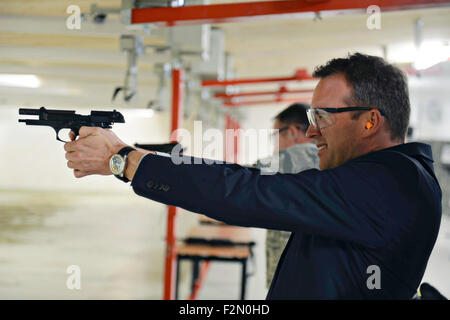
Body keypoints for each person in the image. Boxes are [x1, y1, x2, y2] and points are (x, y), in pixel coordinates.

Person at [64, 53, 442, 299]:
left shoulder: (393, 184)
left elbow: (249, 192)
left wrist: (124, 160)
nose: (310, 133)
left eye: (321, 119)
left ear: (370, 122)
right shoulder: (383, 179)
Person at [255, 103, 319, 288]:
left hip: (291, 279)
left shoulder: (290, 158)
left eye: (275, 135)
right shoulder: (328, 158)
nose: (275, 143)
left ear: (292, 132)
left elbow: (237, 177)